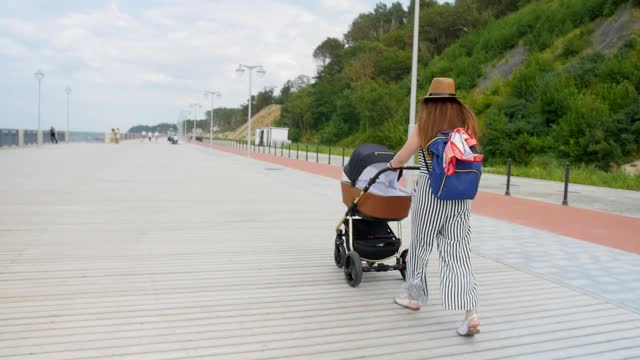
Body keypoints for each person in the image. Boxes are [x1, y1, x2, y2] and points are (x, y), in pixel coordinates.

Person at [388, 77, 481, 336]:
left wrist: (392, 165)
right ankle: (470, 312)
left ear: (430, 101)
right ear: (454, 101)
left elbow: (404, 155)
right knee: (459, 253)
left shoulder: (425, 125)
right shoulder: (466, 124)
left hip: (431, 193)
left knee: (421, 245)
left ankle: (414, 296)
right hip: (461, 194)